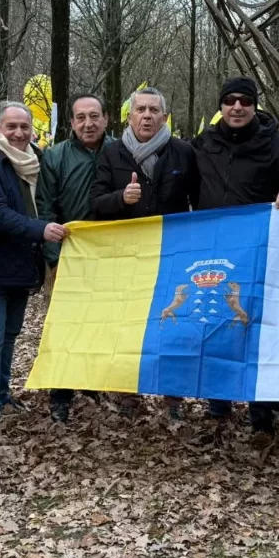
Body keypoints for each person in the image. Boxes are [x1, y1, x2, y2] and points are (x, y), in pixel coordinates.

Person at [192, 76, 279, 432]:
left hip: (261, 254)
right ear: (220, 106)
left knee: (255, 328)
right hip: (214, 251)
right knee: (215, 323)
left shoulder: (277, 144)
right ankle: (218, 401)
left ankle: (260, 405)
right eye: (229, 101)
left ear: (254, 105)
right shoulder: (202, 144)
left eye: (244, 100)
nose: (237, 107)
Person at [89, 87, 199, 421]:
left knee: (173, 324)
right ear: (130, 115)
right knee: (127, 324)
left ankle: (173, 398)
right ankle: (128, 395)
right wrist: (122, 198)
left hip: (173, 255)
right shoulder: (112, 152)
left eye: (154, 110)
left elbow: (200, 201)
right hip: (127, 256)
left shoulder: (183, 151)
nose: (147, 116)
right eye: (141, 110)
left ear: (165, 117)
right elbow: (95, 202)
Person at [0, 102, 68, 438]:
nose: (18, 133)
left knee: (9, 337)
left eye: (24, 127)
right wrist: (39, 229)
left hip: (23, 266)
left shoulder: (37, 160)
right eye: (11, 126)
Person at [38, 93, 109, 420]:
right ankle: (61, 391)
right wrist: (54, 256)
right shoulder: (55, 157)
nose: (88, 123)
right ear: (72, 123)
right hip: (69, 255)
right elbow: (46, 207)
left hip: (112, 256)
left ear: (106, 119)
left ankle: (92, 381)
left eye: (94, 116)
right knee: (66, 325)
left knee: (101, 322)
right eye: (81, 117)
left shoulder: (118, 152)